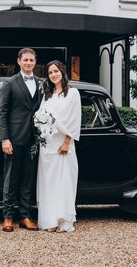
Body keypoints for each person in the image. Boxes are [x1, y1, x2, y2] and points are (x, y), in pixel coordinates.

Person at [0, 47, 41, 232]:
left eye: (32, 60)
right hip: (14, 138)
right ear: (19, 61)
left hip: (34, 139)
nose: (29, 63)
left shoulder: (40, 83)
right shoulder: (10, 83)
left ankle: (25, 216)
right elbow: (2, 112)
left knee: (27, 179)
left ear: (35, 62)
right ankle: (7, 217)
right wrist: (4, 139)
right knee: (11, 178)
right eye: (26, 60)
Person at [35, 60, 81, 233]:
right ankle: (50, 219)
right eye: (50, 73)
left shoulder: (73, 93)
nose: (53, 75)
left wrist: (67, 142)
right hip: (48, 145)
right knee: (49, 182)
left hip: (64, 144)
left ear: (62, 71)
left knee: (64, 181)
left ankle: (64, 220)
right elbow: (40, 116)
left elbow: (75, 119)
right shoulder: (48, 95)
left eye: (56, 71)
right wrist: (43, 130)